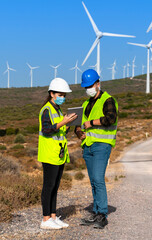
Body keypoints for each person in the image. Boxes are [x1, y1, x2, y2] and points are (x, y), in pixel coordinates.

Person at [75, 69, 118, 229]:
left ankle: (103, 215)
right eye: (86, 87)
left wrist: (92, 123)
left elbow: (111, 118)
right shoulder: (85, 104)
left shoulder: (108, 100)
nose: (88, 89)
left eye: (90, 86)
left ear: (98, 84)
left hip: (102, 145)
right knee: (93, 181)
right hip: (88, 146)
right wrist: (79, 132)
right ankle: (96, 212)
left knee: (99, 179)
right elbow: (79, 125)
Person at [38, 78, 77, 230]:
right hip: (49, 153)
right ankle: (45, 218)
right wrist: (63, 122)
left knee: (55, 186)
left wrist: (69, 123)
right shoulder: (46, 110)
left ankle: (53, 216)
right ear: (52, 94)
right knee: (48, 186)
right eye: (60, 94)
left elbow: (58, 130)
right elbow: (47, 129)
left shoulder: (58, 110)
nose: (63, 97)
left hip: (58, 154)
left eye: (64, 95)